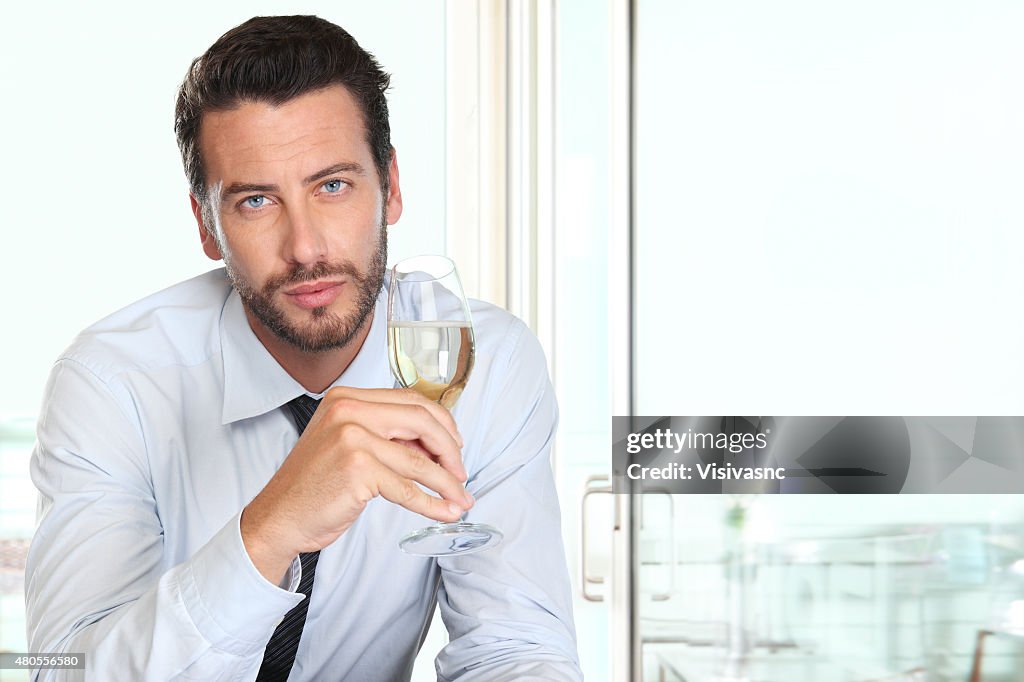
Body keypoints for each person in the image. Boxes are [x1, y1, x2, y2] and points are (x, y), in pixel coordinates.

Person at [25, 15, 581, 681]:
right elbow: (58, 669)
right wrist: (270, 530)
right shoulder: (111, 383)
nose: (307, 248)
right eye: (257, 201)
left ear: (392, 187)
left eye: (333, 186)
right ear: (207, 226)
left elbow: (515, 652)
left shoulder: (487, 363)